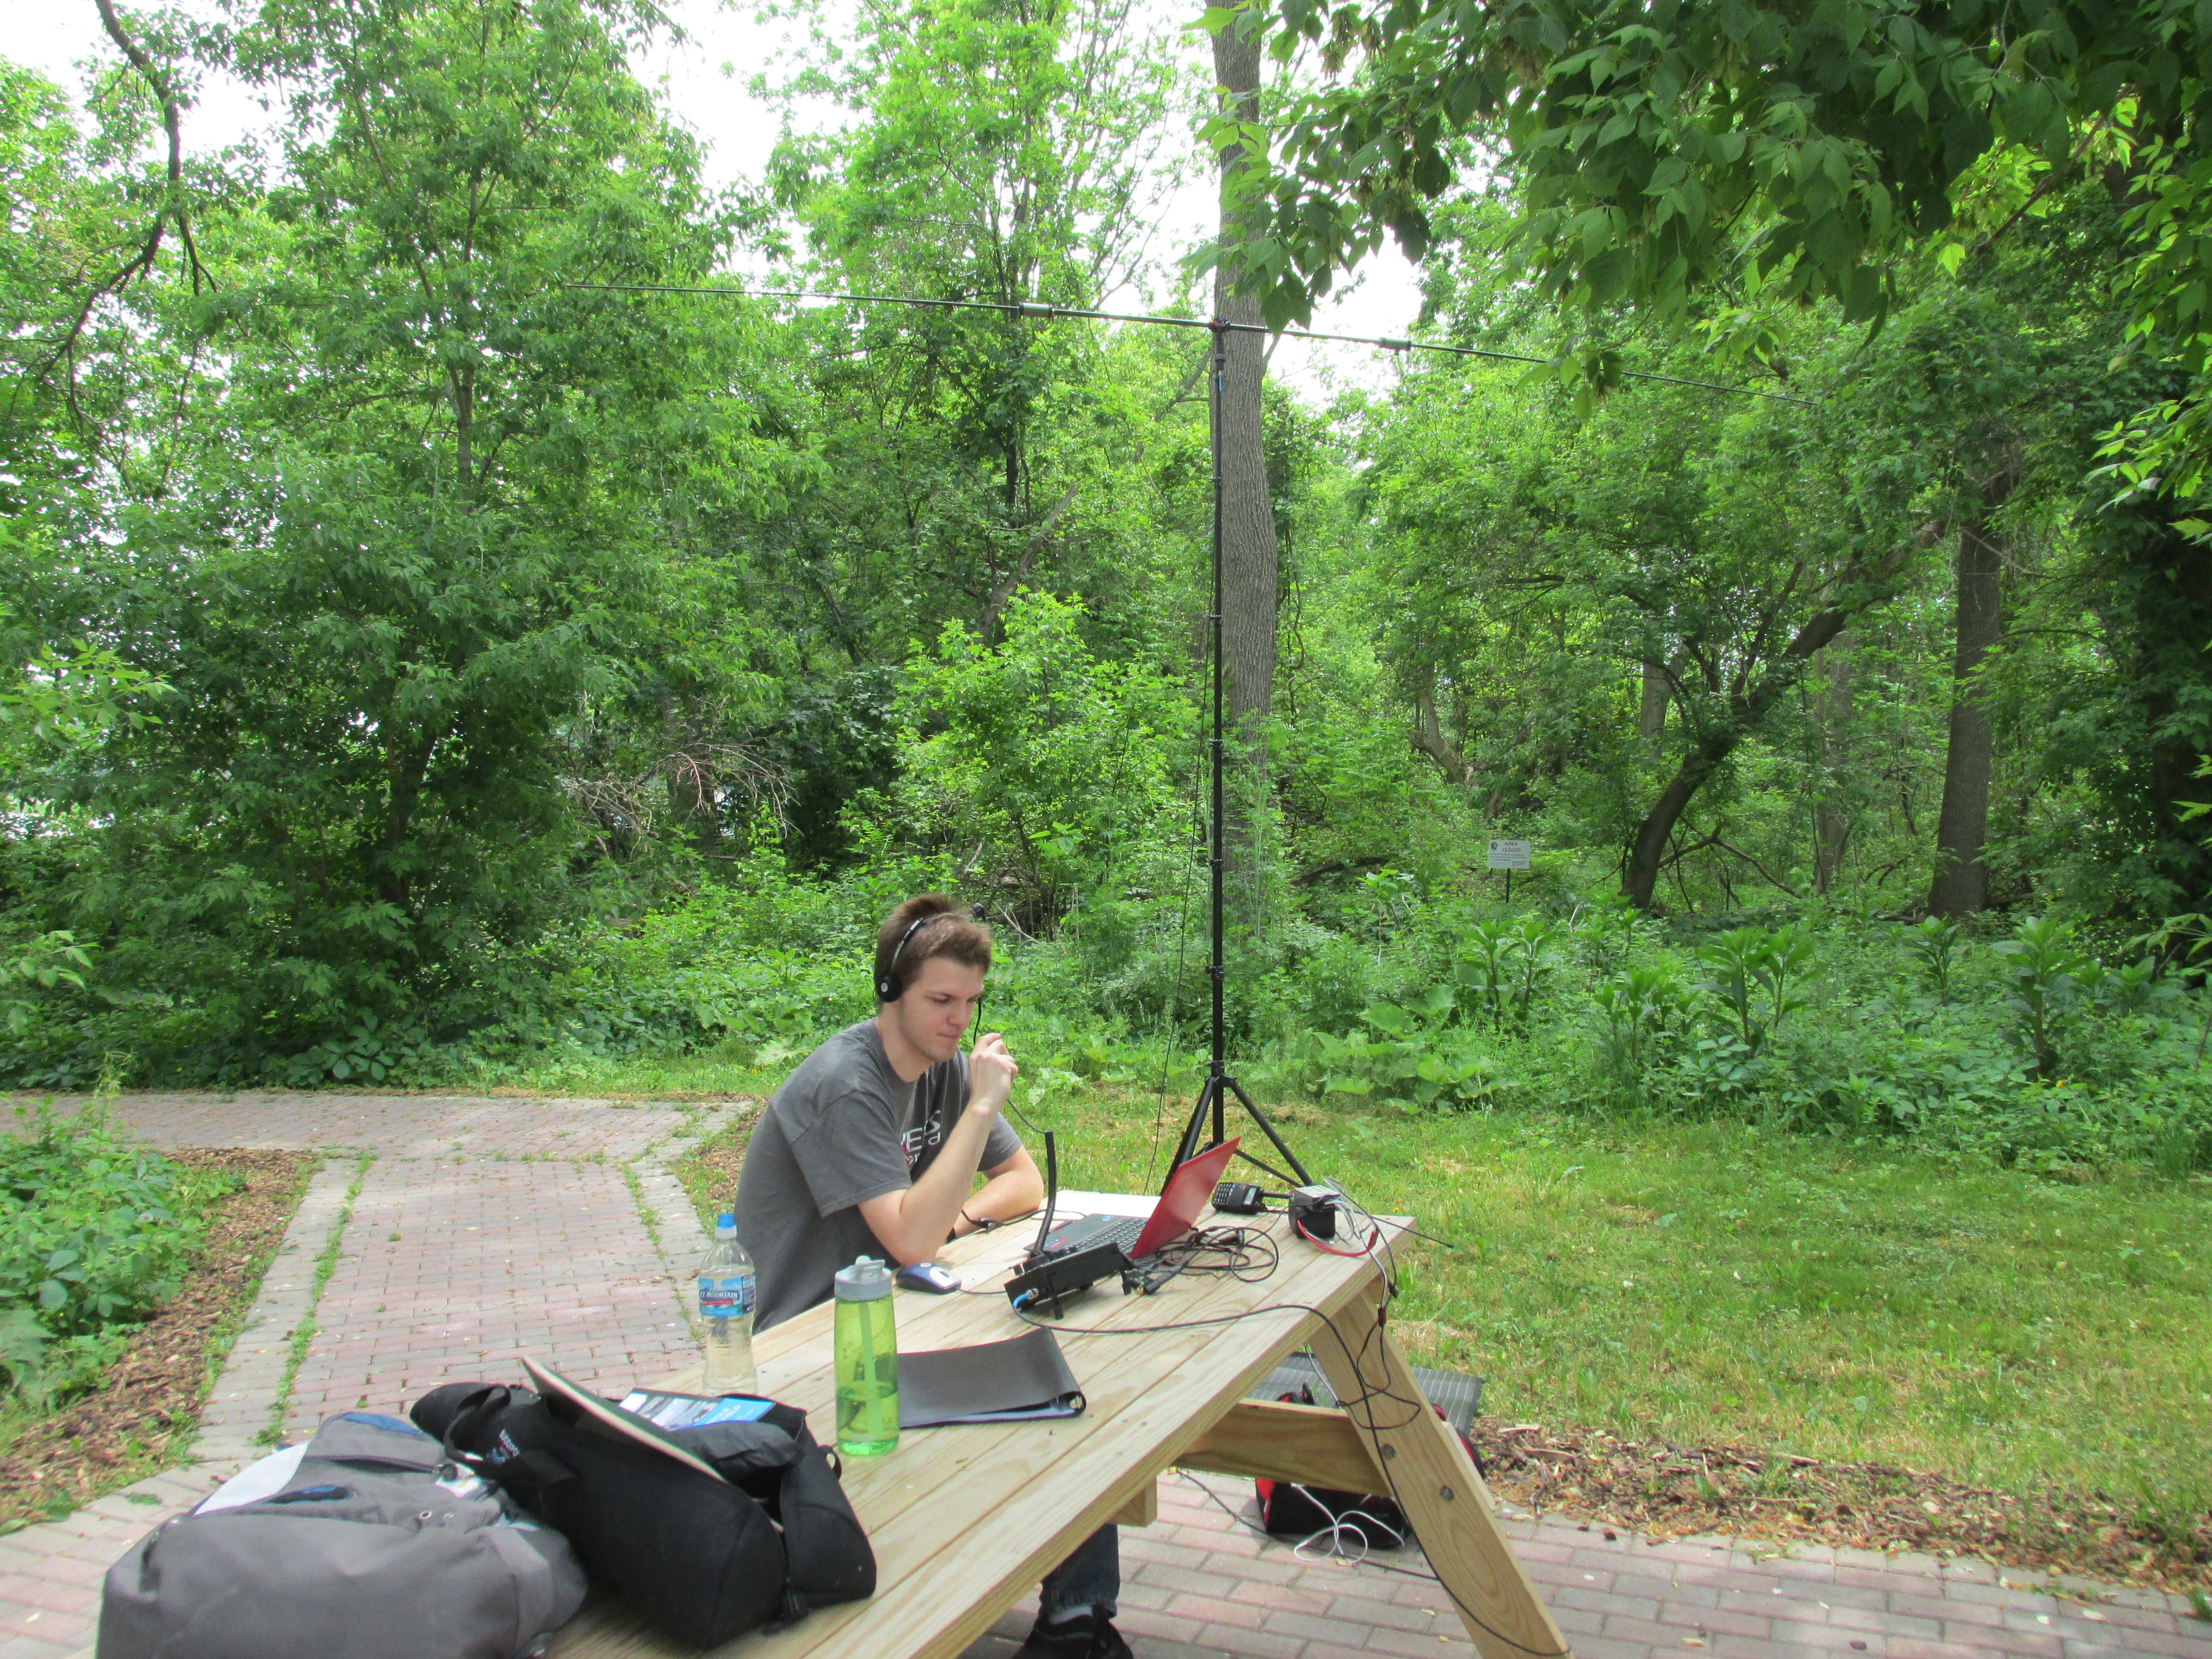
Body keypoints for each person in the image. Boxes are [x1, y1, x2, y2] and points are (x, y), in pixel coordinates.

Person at [734, 894, 1130, 1659]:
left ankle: (1076, 1626)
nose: (958, 1020)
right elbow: (911, 1240)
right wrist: (979, 1113)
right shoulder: (847, 1085)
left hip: (893, 1310)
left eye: (972, 1002)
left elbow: (1022, 1185)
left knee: (1067, 1382)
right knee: (1039, 1397)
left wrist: (957, 1219)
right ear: (891, 992)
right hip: (811, 1344)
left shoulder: (943, 1071)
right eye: (941, 1000)